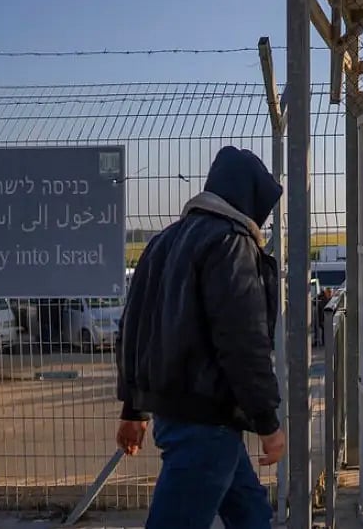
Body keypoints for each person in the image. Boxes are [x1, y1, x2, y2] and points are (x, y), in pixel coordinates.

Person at [115, 146, 287, 529]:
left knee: (252, 514)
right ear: (249, 197)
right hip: (209, 420)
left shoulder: (163, 242)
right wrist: (267, 422)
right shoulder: (231, 243)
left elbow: (133, 328)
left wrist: (134, 408)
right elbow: (244, 344)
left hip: (181, 415)